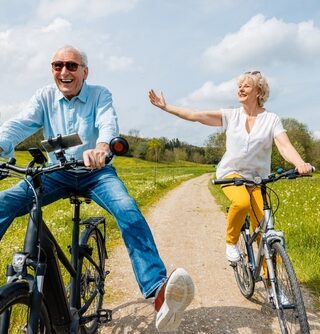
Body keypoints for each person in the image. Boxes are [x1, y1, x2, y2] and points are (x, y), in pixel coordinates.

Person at [0, 45, 194, 332]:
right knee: (5, 202)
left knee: (127, 210)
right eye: (57, 65)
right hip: (57, 173)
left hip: (96, 172)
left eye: (71, 66)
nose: (64, 71)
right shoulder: (44, 97)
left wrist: (102, 147)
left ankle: (157, 290)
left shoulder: (99, 94)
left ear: (84, 71)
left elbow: (107, 122)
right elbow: (17, 126)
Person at [149, 71, 314, 263]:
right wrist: (166, 107)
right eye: (239, 86)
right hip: (231, 173)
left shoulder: (271, 119)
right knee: (242, 202)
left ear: (259, 91)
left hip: (257, 178)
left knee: (265, 229)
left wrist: (300, 163)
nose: (240, 89)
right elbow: (195, 115)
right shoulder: (231, 116)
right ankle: (231, 242)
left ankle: (274, 288)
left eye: (246, 86)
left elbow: (285, 145)